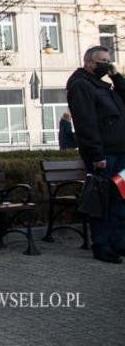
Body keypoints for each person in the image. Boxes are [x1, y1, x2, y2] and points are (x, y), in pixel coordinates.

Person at [66, 45, 125, 263]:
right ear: (88, 62)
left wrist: (116, 76)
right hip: (103, 155)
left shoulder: (104, 86)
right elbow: (85, 123)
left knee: (120, 198)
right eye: (102, 61)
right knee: (102, 200)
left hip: (120, 153)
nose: (106, 64)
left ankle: (118, 241)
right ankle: (102, 245)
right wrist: (96, 154)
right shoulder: (81, 85)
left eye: (108, 60)